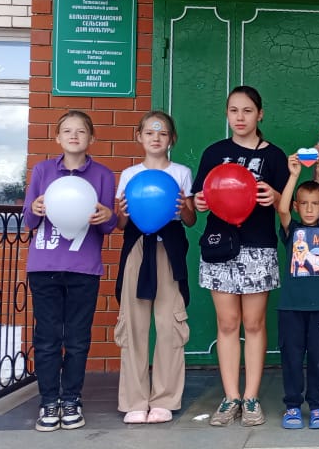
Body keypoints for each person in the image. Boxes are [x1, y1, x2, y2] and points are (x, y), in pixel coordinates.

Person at [192, 86, 289, 427]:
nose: (240, 117)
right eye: (234, 110)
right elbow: (199, 198)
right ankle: (230, 396)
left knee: (254, 323)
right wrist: (198, 202)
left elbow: (288, 206)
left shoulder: (274, 156)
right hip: (220, 247)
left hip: (258, 247)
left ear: (260, 114)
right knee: (227, 323)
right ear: (227, 114)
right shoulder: (214, 152)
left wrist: (275, 196)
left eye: (247, 110)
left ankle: (251, 397)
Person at [23, 110, 117, 432]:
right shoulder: (43, 170)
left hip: (84, 268)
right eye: (67, 130)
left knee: (77, 339)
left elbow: (108, 226)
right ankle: (49, 400)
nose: (74, 135)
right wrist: (35, 208)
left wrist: (107, 215)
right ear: (57, 137)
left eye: (81, 131)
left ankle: (71, 399)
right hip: (44, 267)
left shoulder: (103, 175)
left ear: (91, 138)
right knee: (47, 338)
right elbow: (29, 219)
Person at [113, 111, 196, 424]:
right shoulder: (130, 174)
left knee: (169, 323)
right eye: (149, 133)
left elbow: (190, 220)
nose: (156, 138)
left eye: (162, 133)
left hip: (169, 249)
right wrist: (122, 213)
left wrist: (184, 207)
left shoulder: (181, 172)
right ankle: (134, 400)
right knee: (134, 323)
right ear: (139, 137)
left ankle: (164, 398)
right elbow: (121, 223)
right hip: (137, 247)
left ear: (172, 139)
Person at [275, 152, 319, 430]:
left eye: (315, 204)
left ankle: (317, 406)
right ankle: (292, 406)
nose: (310, 209)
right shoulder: (291, 230)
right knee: (291, 358)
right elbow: (281, 210)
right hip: (291, 306)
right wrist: (293, 175)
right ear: (296, 206)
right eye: (303, 204)